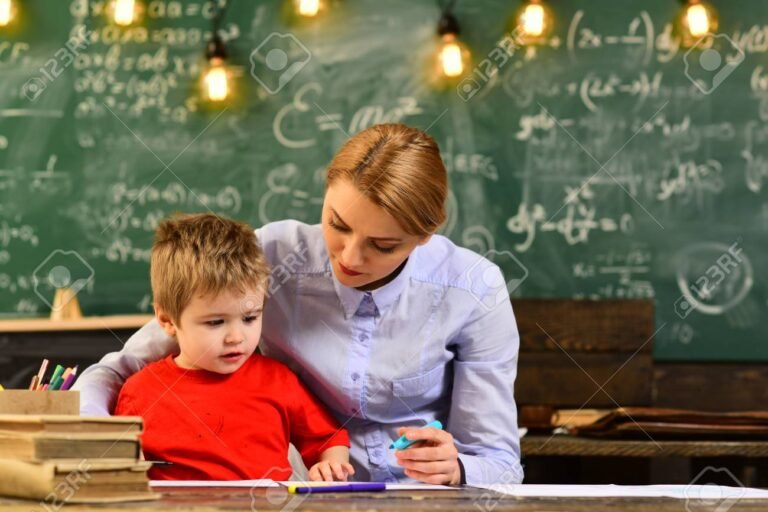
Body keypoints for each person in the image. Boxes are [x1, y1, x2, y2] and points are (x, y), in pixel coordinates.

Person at [75, 123, 524, 485]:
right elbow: (118, 371)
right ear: (325, 195)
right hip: (296, 494)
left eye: (383, 245)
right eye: (338, 224)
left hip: (415, 498)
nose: (349, 257)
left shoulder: (474, 288)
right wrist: (91, 437)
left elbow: (500, 461)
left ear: (425, 237)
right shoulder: (269, 256)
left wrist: (458, 468)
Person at [113, 213, 352, 481]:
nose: (236, 337)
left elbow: (329, 438)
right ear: (167, 320)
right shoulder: (139, 393)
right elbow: (119, 469)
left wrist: (330, 466)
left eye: (250, 318)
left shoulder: (278, 380)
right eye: (216, 322)